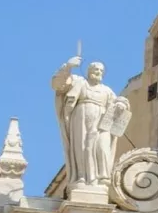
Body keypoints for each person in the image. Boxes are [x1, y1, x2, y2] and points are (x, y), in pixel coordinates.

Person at [52, 56, 131, 187]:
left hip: (102, 122)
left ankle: (102, 177)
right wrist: (68, 67)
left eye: (101, 70)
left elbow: (120, 101)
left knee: (102, 148)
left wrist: (122, 104)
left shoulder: (106, 90)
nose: (98, 72)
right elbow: (58, 85)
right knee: (82, 147)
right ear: (89, 71)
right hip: (81, 118)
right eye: (96, 69)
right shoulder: (79, 82)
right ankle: (82, 177)